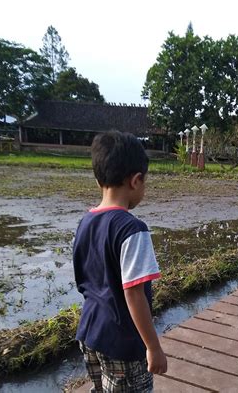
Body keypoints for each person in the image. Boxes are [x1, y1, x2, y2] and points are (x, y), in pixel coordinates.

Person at [73, 131, 167, 392]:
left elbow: (84, 279)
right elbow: (134, 293)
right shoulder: (131, 229)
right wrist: (153, 347)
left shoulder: (86, 222)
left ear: (98, 180)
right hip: (122, 343)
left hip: (90, 332)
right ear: (136, 180)